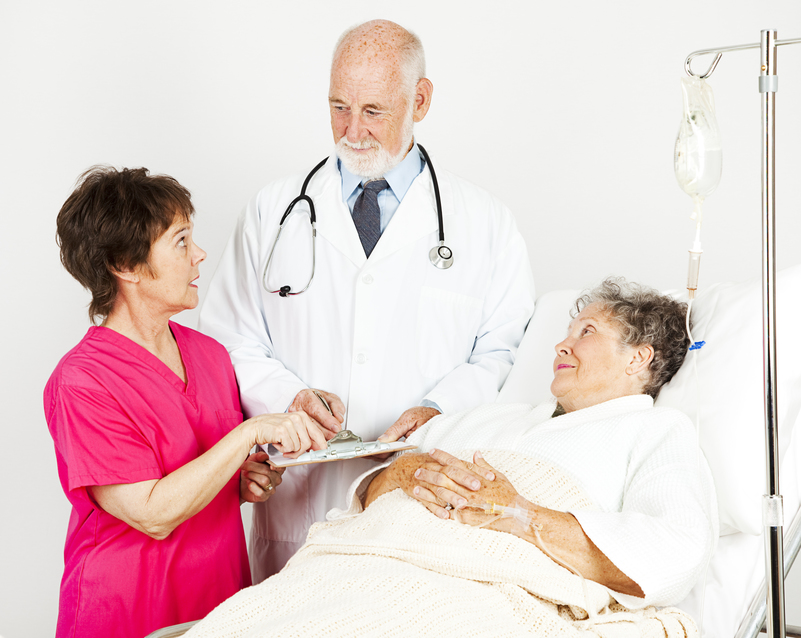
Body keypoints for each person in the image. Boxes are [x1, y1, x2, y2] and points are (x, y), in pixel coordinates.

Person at [184, 279, 717, 637]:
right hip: (353, 566)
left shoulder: (654, 432)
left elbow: (675, 548)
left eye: (587, 333)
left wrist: (522, 515)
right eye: (567, 331)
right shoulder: (493, 416)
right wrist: (400, 470)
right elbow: (368, 496)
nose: (561, 344)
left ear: (639, 358)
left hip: (468, 592)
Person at [198, 19, 536, 580]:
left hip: (421, 505)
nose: (352, 130)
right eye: (338, 107)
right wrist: (291, 398)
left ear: (420, 100)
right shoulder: (272, 211)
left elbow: (505, 354)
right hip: (297, 502)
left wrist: (438, 412)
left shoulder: (486, 223)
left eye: (373, 111)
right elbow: (227, 339)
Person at [44, 166, 328, 638]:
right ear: (126, 265)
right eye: (180, 242)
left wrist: (241, 480)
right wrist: (248, 434)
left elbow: (201, 471)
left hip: (218, 610)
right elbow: (152, 512)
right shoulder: (84, 382)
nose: (199, 256)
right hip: (127, 614)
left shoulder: (211, 356)